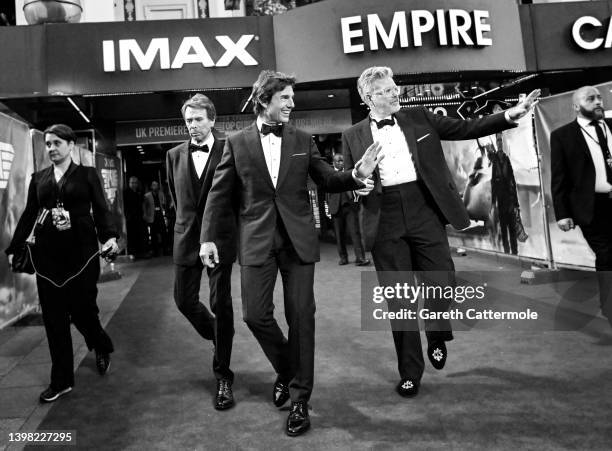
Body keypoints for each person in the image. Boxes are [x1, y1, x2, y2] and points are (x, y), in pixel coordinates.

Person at [200, 70, 380, 436]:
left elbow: (328, 178)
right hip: (256, 241)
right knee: (255, 315)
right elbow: (218, 196)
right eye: (285, 98)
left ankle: (299, 399)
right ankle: (289, 369)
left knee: (302, 317)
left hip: (298, 241)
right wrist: (207, 238)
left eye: (292, 98)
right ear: (265, 99)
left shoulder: (302, 138)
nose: (292, 104)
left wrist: (356, 174)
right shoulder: (236, 143)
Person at [341, 66, 540, 398]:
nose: (395, 94)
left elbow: (467, 127)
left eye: (395, 88)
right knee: (399, 301)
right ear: (368, 97)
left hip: (423, 209)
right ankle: (410, 372)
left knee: (443, 280)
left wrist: (510, 115)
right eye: (386, 91)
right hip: (383, 217)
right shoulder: (353, 135)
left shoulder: (419, 117)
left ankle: (435, 330)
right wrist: (358, 186)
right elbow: (352, 180)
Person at [5, 124, 119, 403]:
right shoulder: (39, 179)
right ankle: (61, 380)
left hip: (82, 254)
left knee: (82, 312)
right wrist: (15, 246)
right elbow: (29, 214)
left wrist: (110, 238)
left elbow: (102, 209)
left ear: (70, 145)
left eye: (57, 143)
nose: (52, 148)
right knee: (54, 320)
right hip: (48, 257)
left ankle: (101, 344)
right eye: (48, 144)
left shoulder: (87, 175)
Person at [166, 93, 237, 410]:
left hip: (220, 240)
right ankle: (218, 337)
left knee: (220, 303)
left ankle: (223, 376)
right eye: (188, 121)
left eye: (197, 120)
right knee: (183, 300)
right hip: (185, 239)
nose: (192, 126)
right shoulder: (174, 155)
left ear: (212, 120)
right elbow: (177, 198)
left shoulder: (229, 149)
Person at [551, 85, 612, 328]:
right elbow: (559, 177)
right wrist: (562, 213)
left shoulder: (611, 127)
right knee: (607, 254)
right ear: (576, 106)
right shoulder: (563, 135)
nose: (598, 101)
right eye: (591, 98)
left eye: (599, 97)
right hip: (591, 207)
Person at [326, 153, 370, 266]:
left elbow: (359, 187)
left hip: (350, 206)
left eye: (342, 160)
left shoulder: (350, 172)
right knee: (339, 234)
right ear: (333, 162)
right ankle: (343, 258)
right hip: (335, 208)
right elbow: (326, 193)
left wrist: (357, 203)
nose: (341, 162)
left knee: (355, 233)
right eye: (338, 161)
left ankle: (360, 258)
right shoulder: (329, 174)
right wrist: (328, 208)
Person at [143, 180, 169, 256]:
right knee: (153, 234)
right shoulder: (147, 196)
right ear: (151, 186)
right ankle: (155, 251)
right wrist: (145, 214)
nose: (155, 186)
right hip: (152, 216)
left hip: (160, 214)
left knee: (163, 232)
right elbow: (144, 206)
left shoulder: (161, 194)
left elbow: (164, 203)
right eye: (154, 185)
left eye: (156, 185)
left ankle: (165, 250)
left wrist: (164, 211)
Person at [124, 176, 146, 257]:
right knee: (131, 235)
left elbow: (142, 203)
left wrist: (144, 213)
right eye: (132, 183)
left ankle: (140, 252)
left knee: (140, 234)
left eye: (135, 183)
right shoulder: (126, 192)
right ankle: (132, 253)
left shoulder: (139, 192)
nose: (133, 184)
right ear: (129, 183)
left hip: (139, 216)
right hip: (130, 218)